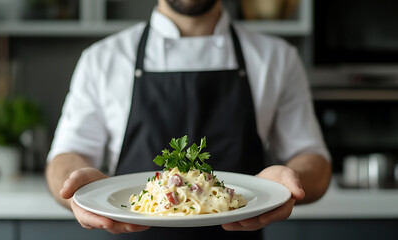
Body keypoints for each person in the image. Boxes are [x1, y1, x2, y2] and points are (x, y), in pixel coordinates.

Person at [46, 0, 331, 239]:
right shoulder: (101, 59)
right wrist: (78, 187)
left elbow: (311, 158)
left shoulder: (277, 58)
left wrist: (288, 184)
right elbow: (67, 155)